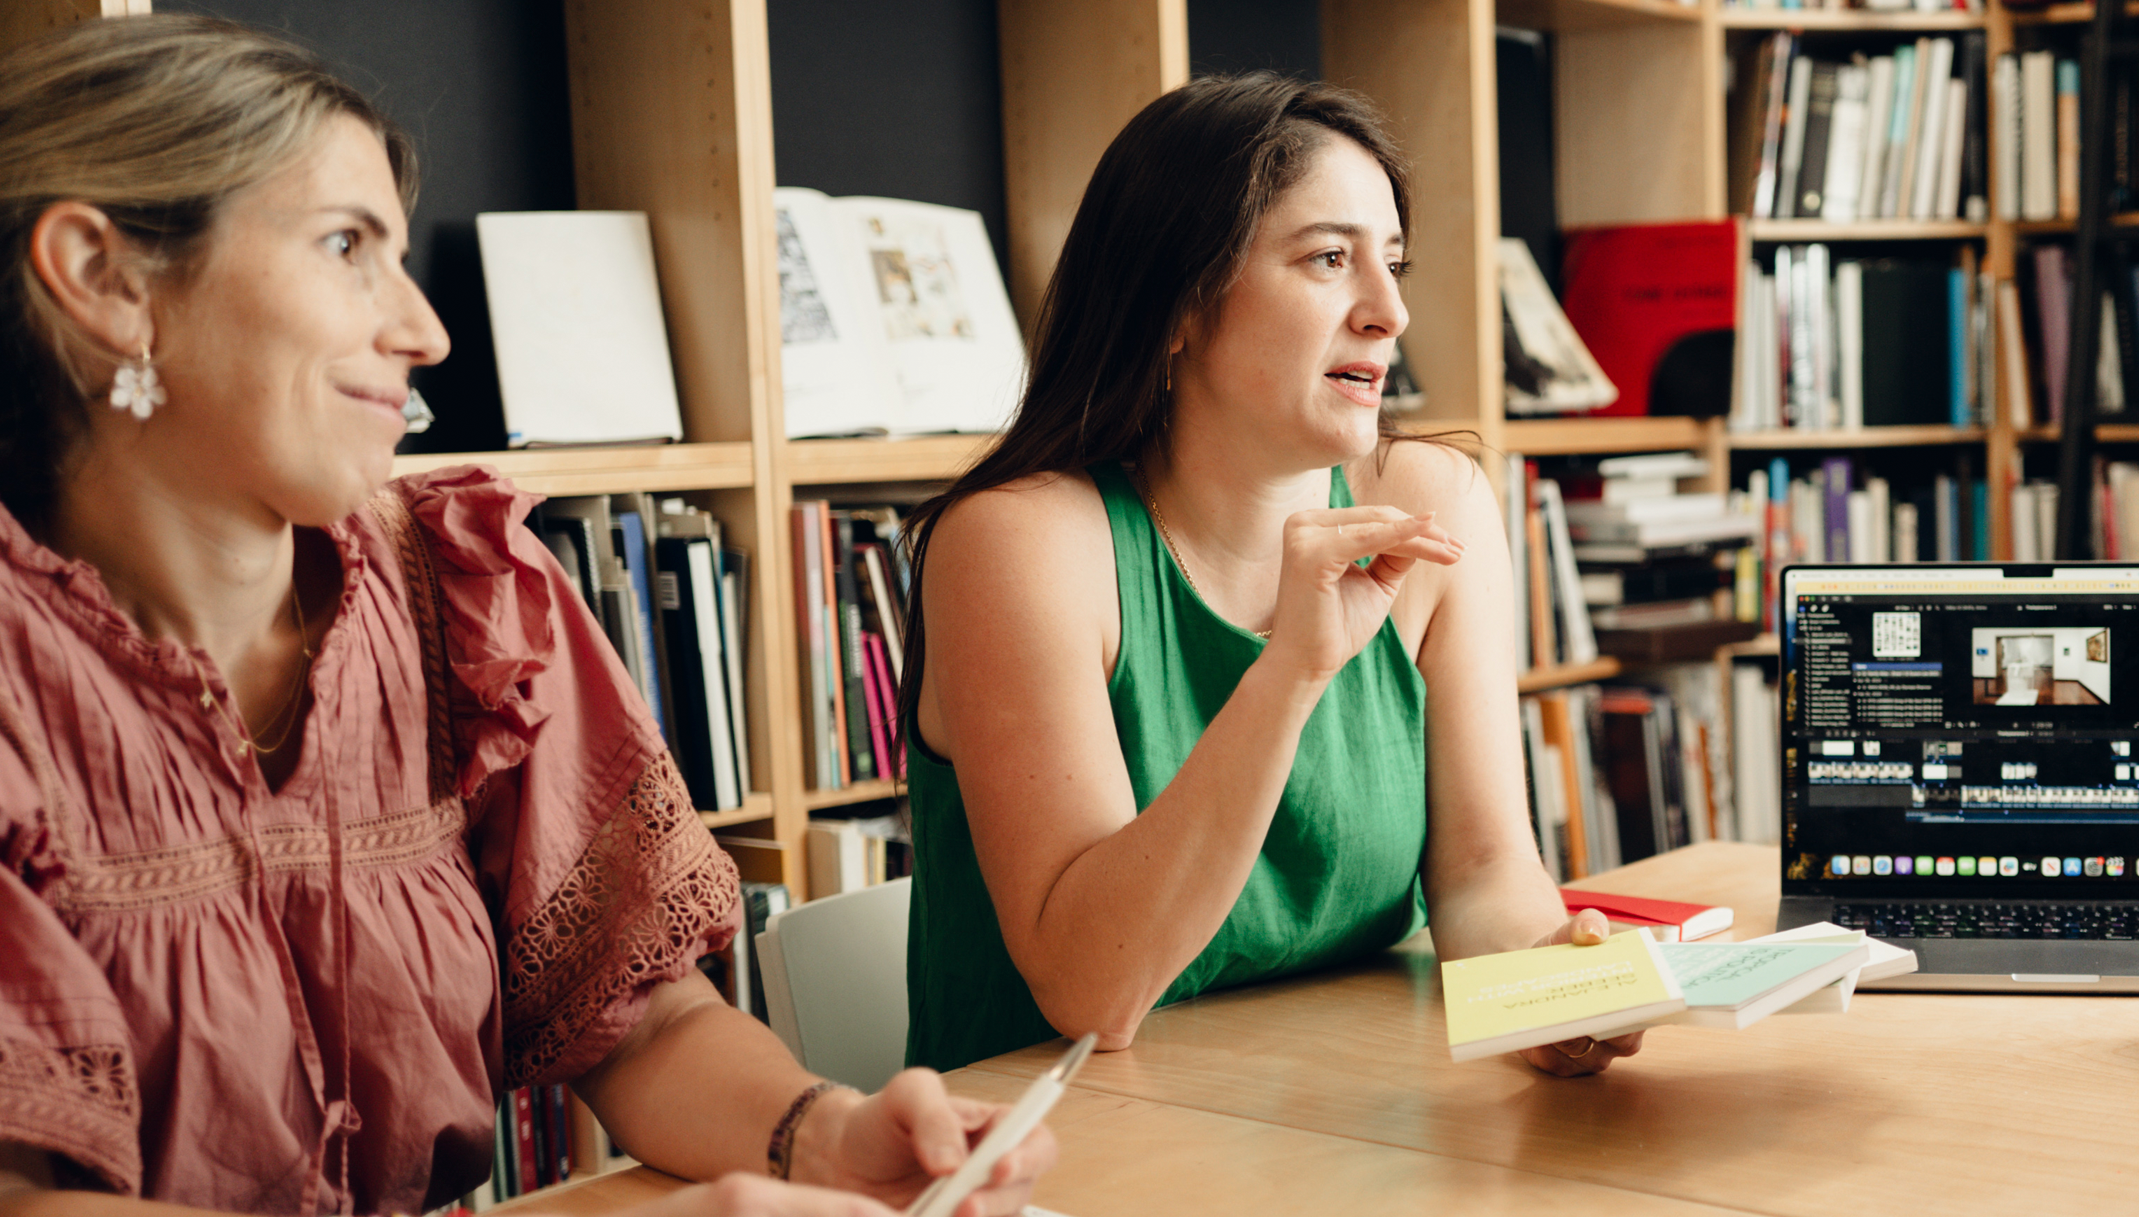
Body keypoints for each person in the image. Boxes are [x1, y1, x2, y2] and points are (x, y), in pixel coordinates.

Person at [0, 18, 1056, 1216]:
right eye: (347, 243)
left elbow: (637, 1015)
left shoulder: (465, 592)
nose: (425, 330)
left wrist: (821, 1133)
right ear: (102, 276)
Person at [897, 73, 1633, 1078]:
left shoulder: (1436, 502)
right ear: (1175, 305)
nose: (1389, 311)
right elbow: (1089, 989)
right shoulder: (1021, 546)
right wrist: (1292, 669)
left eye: (1394, 263)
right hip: (1052, 1149)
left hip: (1332, 1112)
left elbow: (1482, 875)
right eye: (1329, 259)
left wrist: (1552, 994)